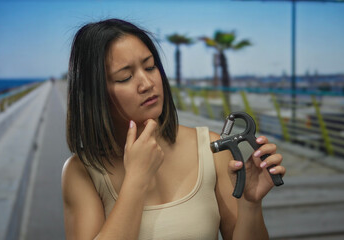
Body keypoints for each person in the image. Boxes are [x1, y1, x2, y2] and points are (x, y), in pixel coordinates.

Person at [62, 18, 286, 240]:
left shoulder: (210, 149)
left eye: (150, 67)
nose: (147, 83)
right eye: (125, 77)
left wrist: (250, 204)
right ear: (94, 93)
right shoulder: (81, 171)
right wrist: (136, 180)